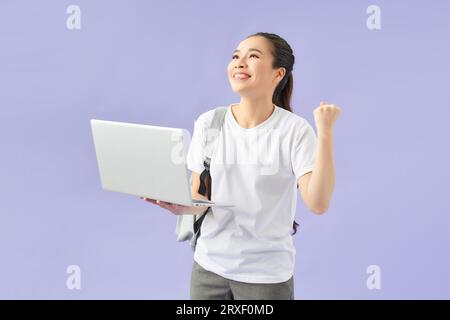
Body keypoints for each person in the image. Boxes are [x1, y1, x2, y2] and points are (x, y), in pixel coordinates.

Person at [142, 32, 341, 300]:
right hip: (209, 269)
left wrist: (325, 131)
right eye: (236, 56)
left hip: (266, 277)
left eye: (253, 56)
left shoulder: (294, 130)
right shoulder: (210, 122)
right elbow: (200, 196)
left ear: (278, 74)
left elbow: (317, 203)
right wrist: (179, 205)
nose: (239, 62)